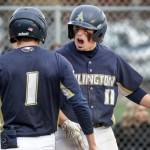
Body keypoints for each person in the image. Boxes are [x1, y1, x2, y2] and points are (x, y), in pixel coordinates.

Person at [0, 7, 96, 150]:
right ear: (41, 29)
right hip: (45, 142)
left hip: (12, 141)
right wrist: (92, 144)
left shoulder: (2, 62)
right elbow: (79, 104)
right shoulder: (57, 61)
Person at [56, 4, 150, 150]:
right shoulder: (60, 57)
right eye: (76, 28)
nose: (79, 34)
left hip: (103, 133)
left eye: (85, 29)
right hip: (68, 131)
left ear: (98, 33)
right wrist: (65, 122)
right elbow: (47, 97)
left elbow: (134, 92)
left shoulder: (111, 58)